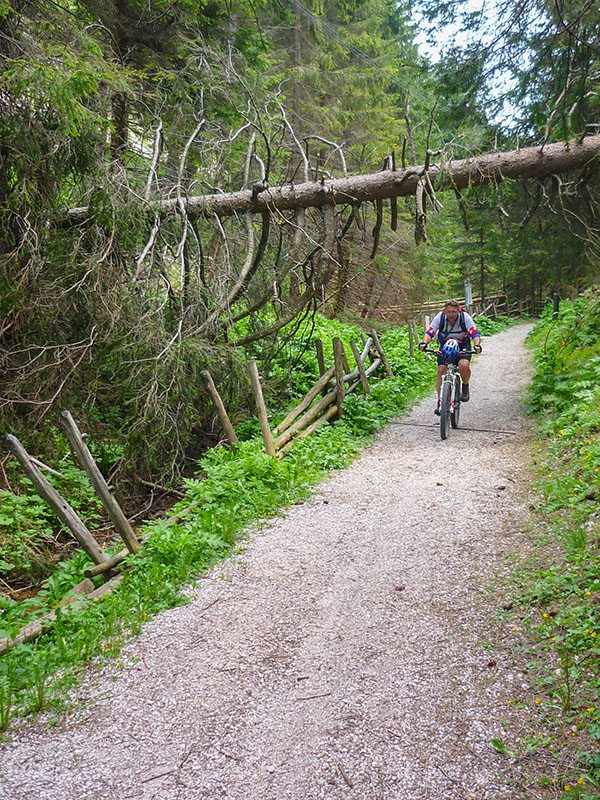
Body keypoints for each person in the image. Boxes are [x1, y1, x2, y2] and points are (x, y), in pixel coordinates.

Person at [418, 299, 482, 415]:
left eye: (454, 312)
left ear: (458, 311)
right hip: (446, 346)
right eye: (448, 312)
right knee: (441, 370)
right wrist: (424, 343)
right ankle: (440, 401)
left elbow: (474, 332)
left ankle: (465, 386)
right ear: (444, 311)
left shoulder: (464, 317)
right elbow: (430, 331)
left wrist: (477, 345)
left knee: (463, 365)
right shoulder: (440, 317)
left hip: (462, 345)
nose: (451, 314)